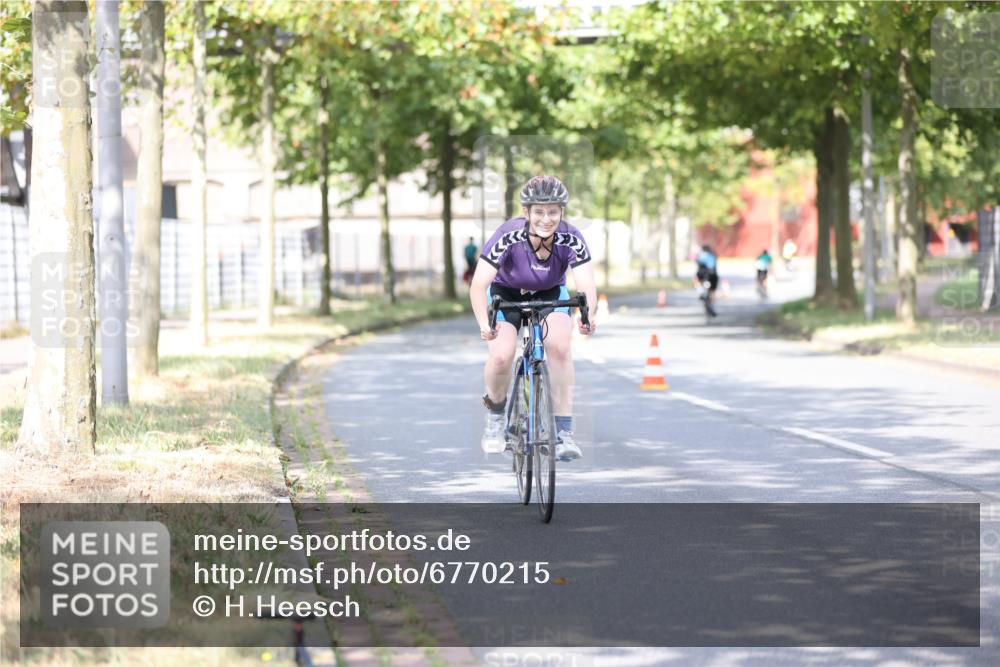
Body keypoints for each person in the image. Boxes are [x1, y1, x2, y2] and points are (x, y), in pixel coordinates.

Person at [469, 175, 597, 461]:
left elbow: (587, 284)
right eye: (539, 211)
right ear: (526, 212)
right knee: (501, 355)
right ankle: (496, 416)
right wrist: (483, 324)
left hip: (551, 292)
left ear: (562, 211)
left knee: (561, 347)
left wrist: (588, 316)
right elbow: (478, 286)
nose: (546, 219)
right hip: (506, 292)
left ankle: (563, 432)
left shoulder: (571, 237)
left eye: (553, 211)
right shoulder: (508, 235)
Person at [695, 244, 719, 317]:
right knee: (712, 291)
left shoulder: (700, 255)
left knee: (697, 280)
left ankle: (700, 291)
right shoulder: (712, 256)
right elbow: (713, 266)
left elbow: (697, 263)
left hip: (702, 275)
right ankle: (713, 306)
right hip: (712, 275)